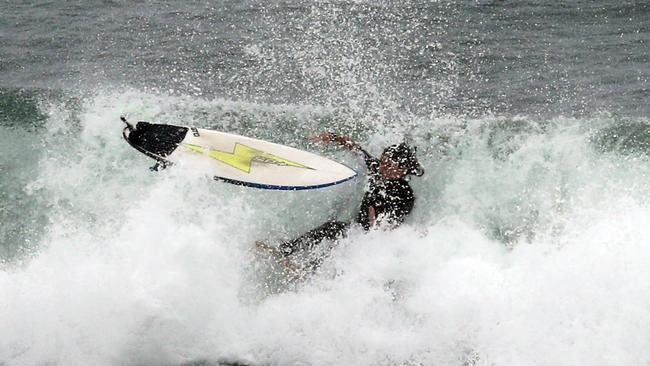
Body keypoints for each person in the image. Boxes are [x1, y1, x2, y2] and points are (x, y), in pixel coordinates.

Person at [256, 132, 424, 270]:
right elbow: (359, 151)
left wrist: (372, 230)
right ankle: (286, 251)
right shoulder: (378, 169)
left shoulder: (404, 194)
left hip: (375, 240)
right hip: (358, 229)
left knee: (342, 244)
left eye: (388, 165)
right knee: (331, 229)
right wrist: (334, 137)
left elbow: (389, 226)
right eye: (382, 161)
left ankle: (307, 270)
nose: (382, 167)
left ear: (402, 170)